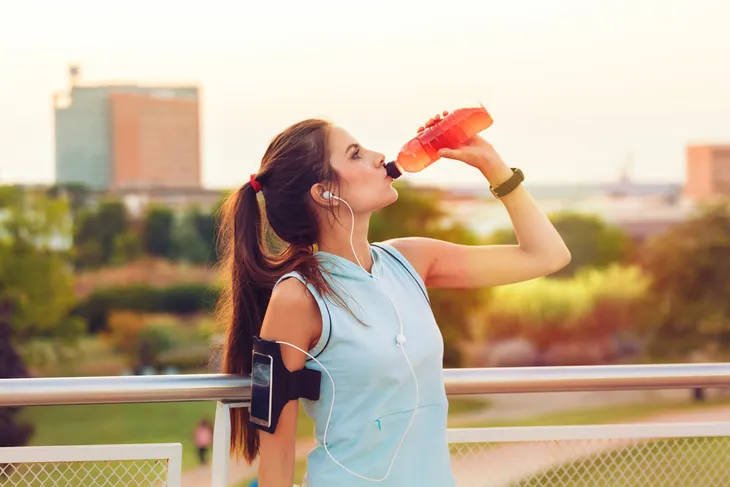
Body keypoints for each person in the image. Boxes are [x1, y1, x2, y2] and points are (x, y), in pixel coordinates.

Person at [217, 115, 571, 487]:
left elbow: (546, 255)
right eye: (355, 154)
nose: (378, 156)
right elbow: (277, 457)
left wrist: (493, 166)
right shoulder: (298, 297)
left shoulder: (413, 261)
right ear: (325, 192)